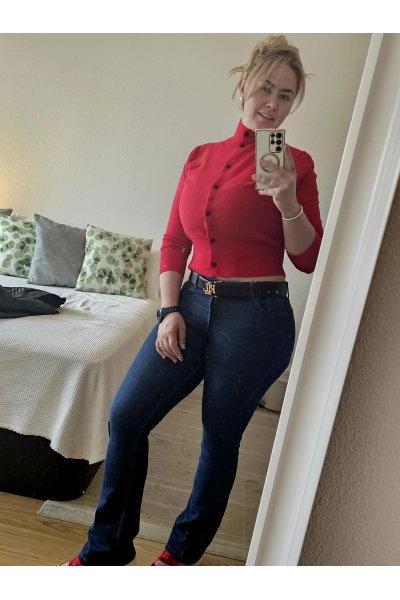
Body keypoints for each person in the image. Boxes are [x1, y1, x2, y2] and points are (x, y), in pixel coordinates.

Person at [63, 34, 323, 566]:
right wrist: (169, 310)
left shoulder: (297, 164)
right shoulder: (201, 157)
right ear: (244, 85)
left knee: (218, 439)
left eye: (286, 96)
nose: (272, 103)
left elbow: (308, 257)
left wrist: (288, 202)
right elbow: (174, 241)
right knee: (127, 415)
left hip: (256, 319)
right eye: (266, 88)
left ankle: (180, 555)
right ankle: (105, 551)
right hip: (191, 305)